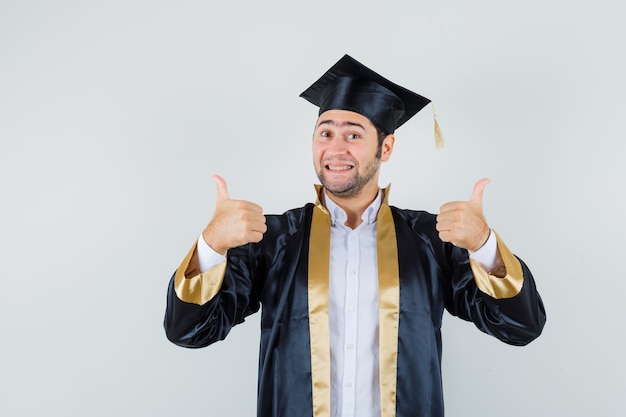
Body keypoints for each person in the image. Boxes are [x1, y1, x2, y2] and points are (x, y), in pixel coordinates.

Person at [163, 54, 546, 417]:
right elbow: (190, 331)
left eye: (353, 135)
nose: (335, 147)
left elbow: (519, 326)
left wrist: (484, 246)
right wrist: (211, 245)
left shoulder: (431, 240)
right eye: (325, 132)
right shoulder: (272, 240)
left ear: (387, 146)